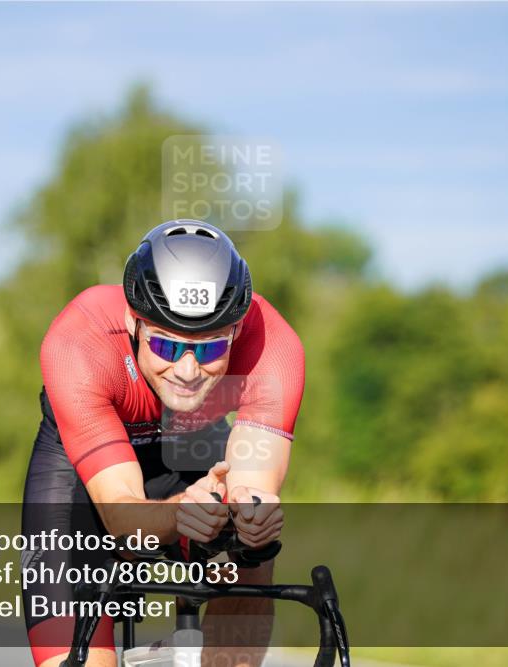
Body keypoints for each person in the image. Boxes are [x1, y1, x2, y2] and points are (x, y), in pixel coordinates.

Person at [22, 219, 305, 667]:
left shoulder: (274, 345)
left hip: (190, 447)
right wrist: (181, 513)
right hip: (84, 476)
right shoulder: (79, 342)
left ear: (236, 330)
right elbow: (120, 515)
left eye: (211, 349)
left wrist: (251, 513)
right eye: (168, 347)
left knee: (246, 547)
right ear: (134, 322)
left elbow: (254, 481)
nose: (189, 371)